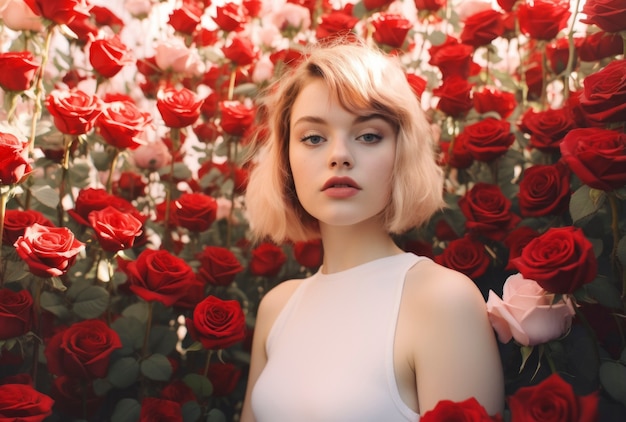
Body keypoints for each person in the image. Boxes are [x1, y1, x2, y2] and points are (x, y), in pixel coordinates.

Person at [240, 39, 504, 422]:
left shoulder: (444, 301)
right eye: (313, 137)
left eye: (368, 135)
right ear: (286, 158)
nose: (339, 155)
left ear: (403, 151)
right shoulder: (277, 307)